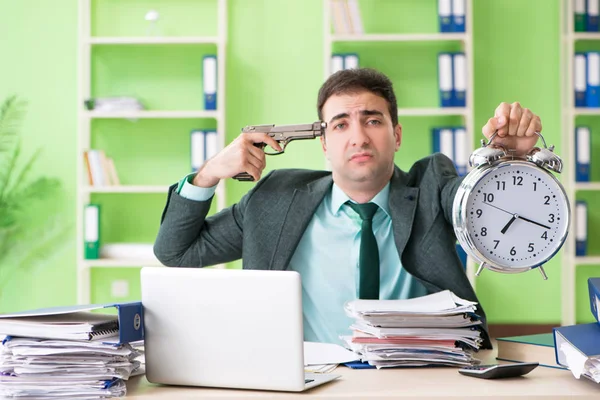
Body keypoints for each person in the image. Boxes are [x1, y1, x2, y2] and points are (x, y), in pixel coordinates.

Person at [153, 68, 542, 350]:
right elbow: (176, 251)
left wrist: (511, 162)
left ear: (397, 134)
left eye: (372, 120)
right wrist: (208, 173)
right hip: (308, 381)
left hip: (419, 379)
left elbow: (489, 210)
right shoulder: (274, 198)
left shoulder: (432, 186)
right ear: (324, 143)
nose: (358, 137)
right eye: (340, 125)